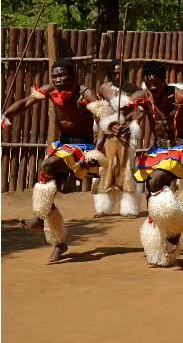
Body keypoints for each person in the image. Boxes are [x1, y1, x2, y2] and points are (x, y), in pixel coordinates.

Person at [2, 59, 113, 262]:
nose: (58, 79)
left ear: (73, 76)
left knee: (46, 165)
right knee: (49, 194)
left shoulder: (85, 93)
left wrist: (97, 151)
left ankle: (38, 218)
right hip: (63, 145)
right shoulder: (50, 90)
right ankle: (58, 244)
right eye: (54, 76)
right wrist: (5, 116)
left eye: (62, 75)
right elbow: (27, 102)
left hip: (83, 147)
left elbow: (104, 120)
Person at [128, 61, 183, 268]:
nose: (153, 88)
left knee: (156, 181)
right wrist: (120, 123)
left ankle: (174, 233)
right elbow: (125, 110)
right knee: (151, 193)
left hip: (181, 150)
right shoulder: (143, 97)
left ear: (164, 81)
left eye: (156, 84)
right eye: (149, 84)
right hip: (157, 151)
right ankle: (159, 252)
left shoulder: (181, 96)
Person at [92, 59, 143, 218]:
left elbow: (141, 111)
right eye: (114, 73)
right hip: (108, 134)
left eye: (120, 73)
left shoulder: (133, 89)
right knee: (106, 169)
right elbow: (98, 111)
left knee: (126, 168)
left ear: (126, 74)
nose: (117, 76)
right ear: (109, 74)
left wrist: (132, 122)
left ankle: (129, 208)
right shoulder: (103, 89)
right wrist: (108, 125)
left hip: (126, 135)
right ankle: (103, 208)